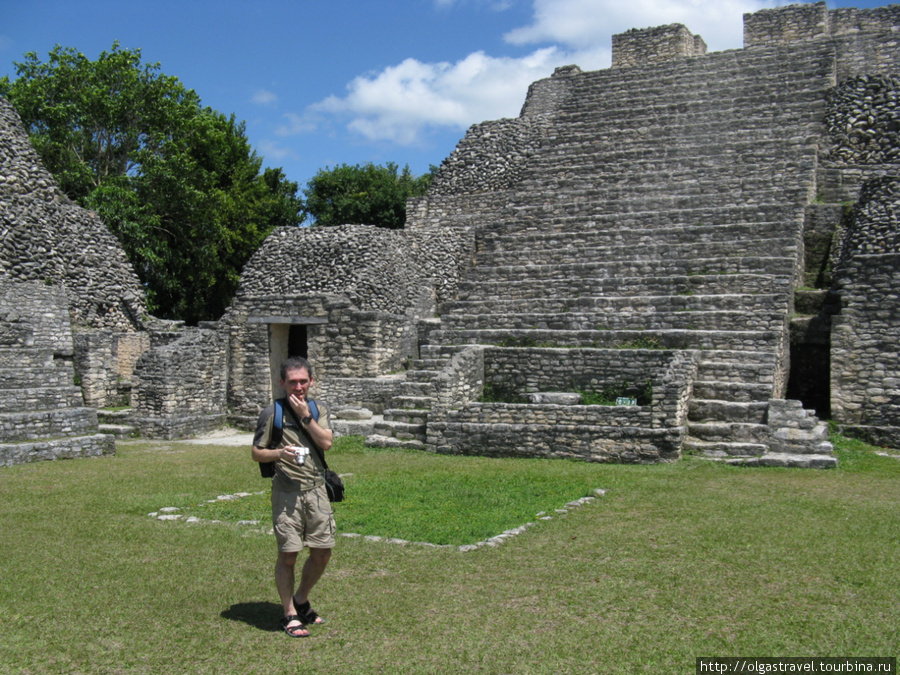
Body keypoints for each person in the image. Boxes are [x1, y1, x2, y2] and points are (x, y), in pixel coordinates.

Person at [251, 356, 335, 638]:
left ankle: (301, 599)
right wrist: (278, 453)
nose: (298, 387)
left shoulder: (317, 409)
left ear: (311, 381)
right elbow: (256, 452)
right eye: (292, 382)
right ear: (282, 382)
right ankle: (289, 613)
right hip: (286, 493)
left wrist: (305, 417)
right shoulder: (271, 412)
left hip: (316, 490)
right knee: (288, 554)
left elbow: (325, 442)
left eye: (303, 381)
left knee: (322, 552)